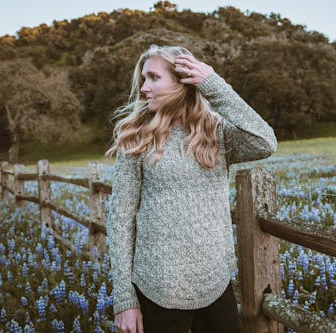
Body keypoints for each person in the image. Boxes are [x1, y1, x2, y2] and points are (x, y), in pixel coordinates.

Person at [105, 45, 277, 333]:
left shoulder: (216, 133)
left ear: (183, 81)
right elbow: (120, 218)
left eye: (153, 78)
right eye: (142, 80)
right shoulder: (135, 137)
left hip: (215, 283)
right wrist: (125, 299)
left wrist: (212, 83)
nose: (144, 88)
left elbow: (265, 142)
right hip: (156, 287)